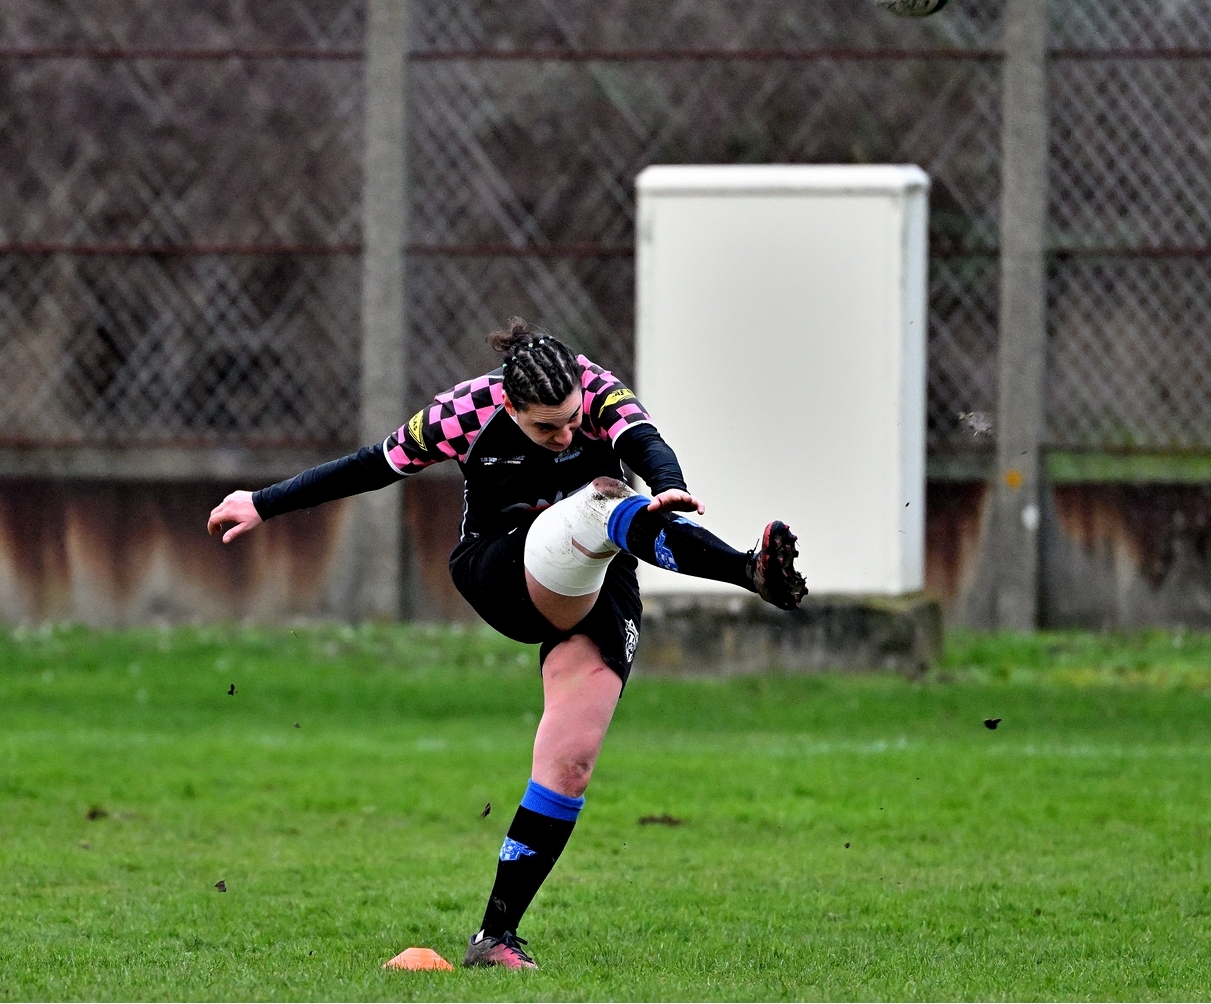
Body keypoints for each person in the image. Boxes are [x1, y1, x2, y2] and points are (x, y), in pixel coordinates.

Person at [206, 318, 807, 970]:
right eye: (547, 428)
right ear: (512, 406)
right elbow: (369, 466)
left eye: (573, 421)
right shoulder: (463, 412)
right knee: (603, 503)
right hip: (499, 568)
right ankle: (748, 571)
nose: (566, 436)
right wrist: (263, 503)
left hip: (598, 582)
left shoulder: (598, 391)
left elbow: (646, 442)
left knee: (570, 762)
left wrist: (667, 486)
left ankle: (494, 938)